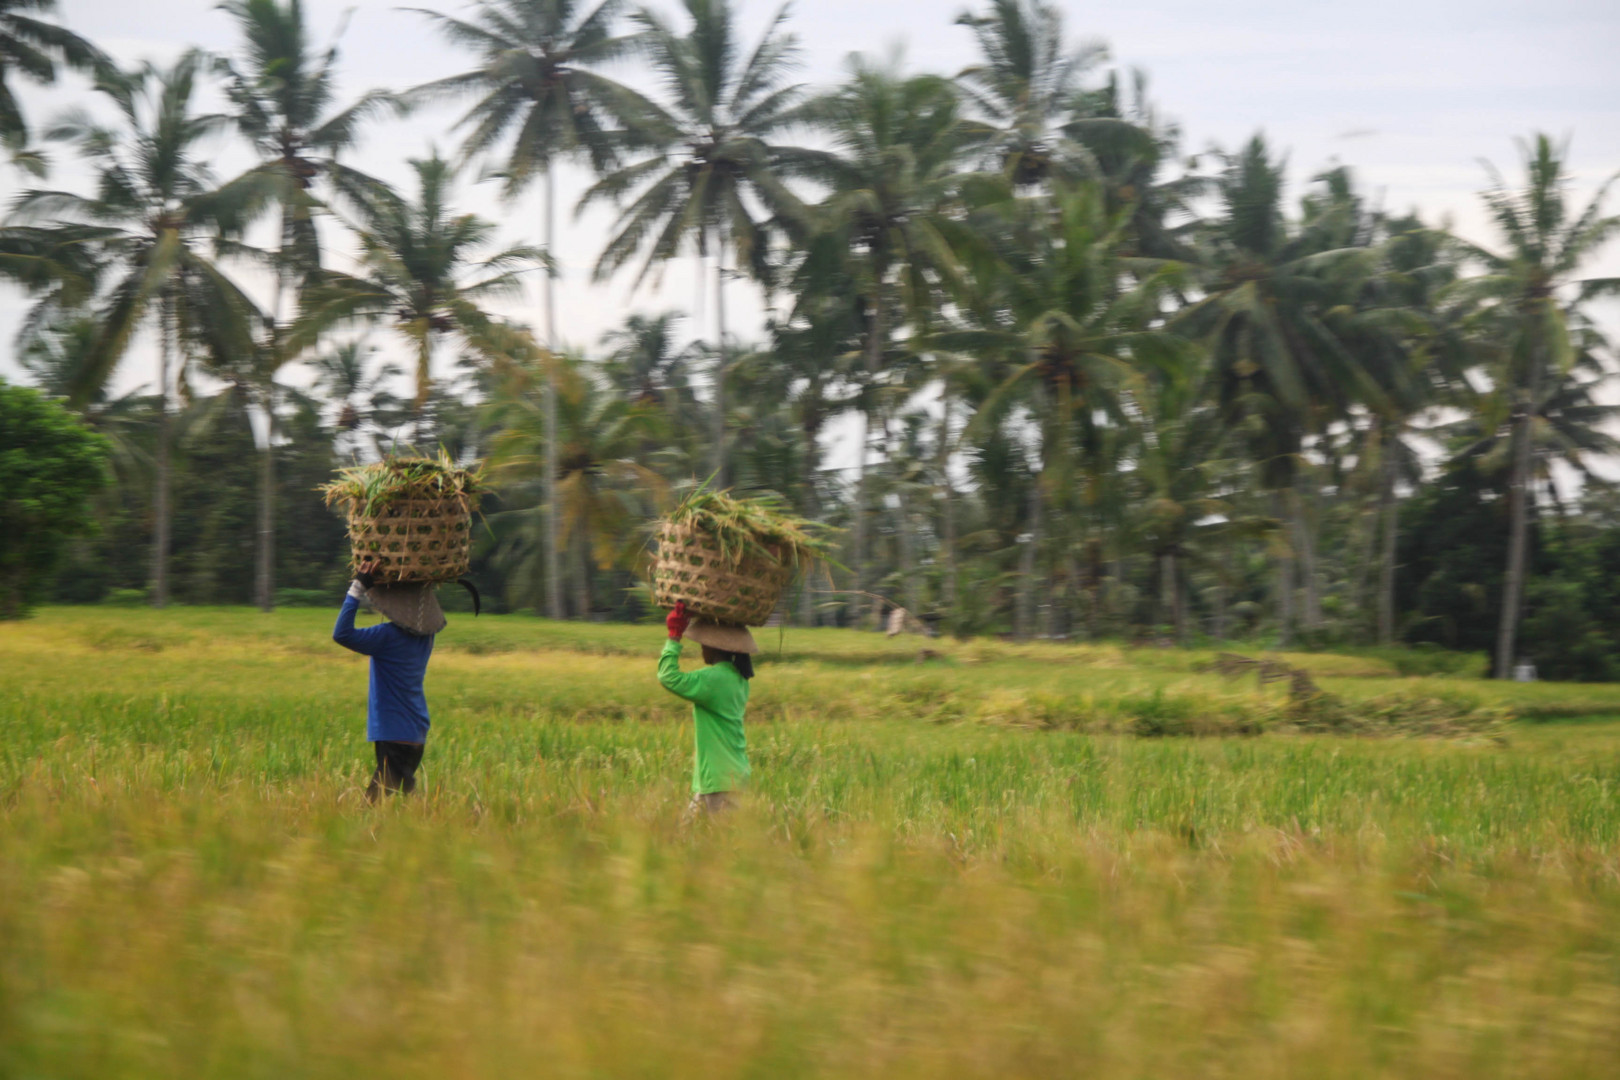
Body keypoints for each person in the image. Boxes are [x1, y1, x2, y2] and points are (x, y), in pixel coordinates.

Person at [332, 559, 444, 801]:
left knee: (374, 806)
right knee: (395, 802)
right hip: (414, 733)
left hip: (395, 735)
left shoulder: (388, 637)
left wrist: (358, 587)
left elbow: (341, 633)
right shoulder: (427, 637)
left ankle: (450, 826)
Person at [658, 600, 757, 814]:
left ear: (715, 646)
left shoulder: (715, 679)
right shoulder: (738, 678)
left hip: (721, 782)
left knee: (724, 845)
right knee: (685, 841)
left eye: (704, 642)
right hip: (719, 779)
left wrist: (674, 636)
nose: (701, 647)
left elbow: (668, 676)